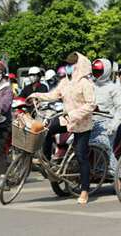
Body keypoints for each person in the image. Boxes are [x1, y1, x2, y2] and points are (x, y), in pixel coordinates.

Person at [27, 52, 95, 204]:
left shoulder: (86, 83)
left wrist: (74, 113)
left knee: (81, 155)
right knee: (46, 129)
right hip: (66, 120)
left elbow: (90, 105)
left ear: (79, 66)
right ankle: (45, 160)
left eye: (71, 64)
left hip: (81, 123)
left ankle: (85, 190)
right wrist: (36, 96)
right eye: (67, 64)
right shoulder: (65, 82)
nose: (68, 67)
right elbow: (54, 94)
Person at [90, 59, 121, 178]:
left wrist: (113, 125)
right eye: (95, 72)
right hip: (91, 122)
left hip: (107, 122)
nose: (97, 75)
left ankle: (117, 178)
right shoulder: (91, 86)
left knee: (103, 145)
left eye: (100, 72)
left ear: (107, 71)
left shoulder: (114, 88)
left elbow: (120, 110)